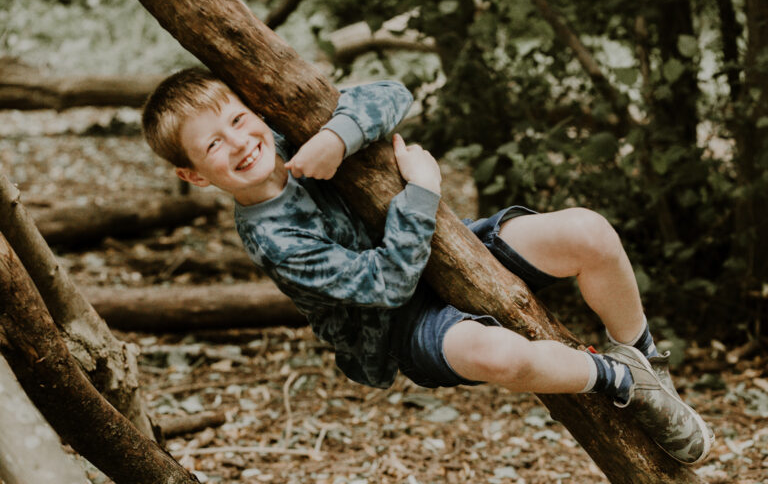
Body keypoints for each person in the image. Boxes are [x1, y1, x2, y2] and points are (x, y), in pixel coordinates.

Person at [142, 67, 712, 464]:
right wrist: (424, 191)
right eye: (212, 146)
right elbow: (387, 284)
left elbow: (391, 92)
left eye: (239, 120)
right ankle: (620, 380)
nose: (240, 142)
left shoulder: (287, 131)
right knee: (496, 354)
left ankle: (643, 356)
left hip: (446, 249)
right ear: (194, 175)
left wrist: (339, 136)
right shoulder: (274, 238)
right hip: (398, 321)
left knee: (587, 231)